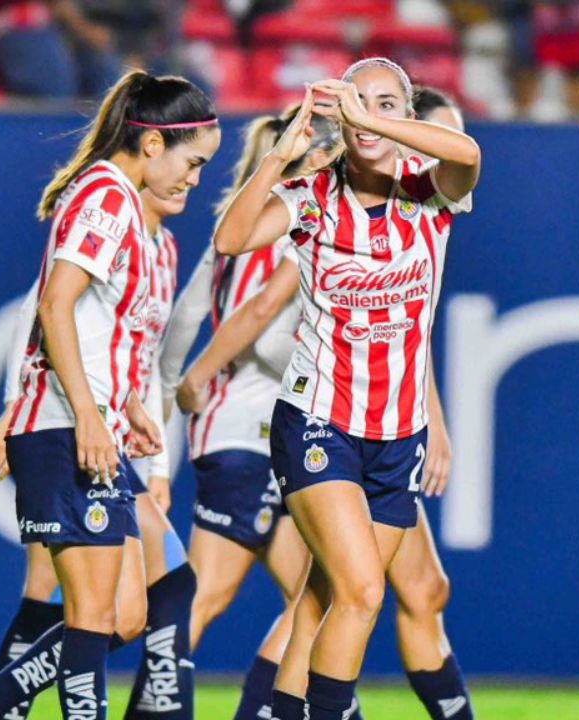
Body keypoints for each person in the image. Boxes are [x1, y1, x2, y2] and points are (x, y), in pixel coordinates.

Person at [174, 85, 475, 720]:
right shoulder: (314, 196)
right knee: (361, 591)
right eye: (358, 100)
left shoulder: (432, 191)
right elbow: (231, 240)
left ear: (406, 118)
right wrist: (279, 158)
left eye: (388, 102)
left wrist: (375, 121)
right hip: (319, 421)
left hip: (397, 433)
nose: (370, 112)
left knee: (318, 599)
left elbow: (467, 153)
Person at [0, 69, 220, 720]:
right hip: (67, 427)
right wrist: (84, 413)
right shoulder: (107, 197)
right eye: (193, 162)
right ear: (152, 145)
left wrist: (130, 408)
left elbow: (105, 334)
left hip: (92, 427)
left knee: (119, 613)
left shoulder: (144, 228)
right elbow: (51, 305)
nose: (195, 179)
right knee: (93, 614)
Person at [156, 106, 341, 720]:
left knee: (317, 593)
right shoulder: (289, 227)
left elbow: (183, 321)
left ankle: (272, 711)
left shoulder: (234, 232)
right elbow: (258, 323)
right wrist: (197, 382)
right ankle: (147, 707)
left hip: (260, 435)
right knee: (203, 597)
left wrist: (177, 401)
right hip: (251, 430)